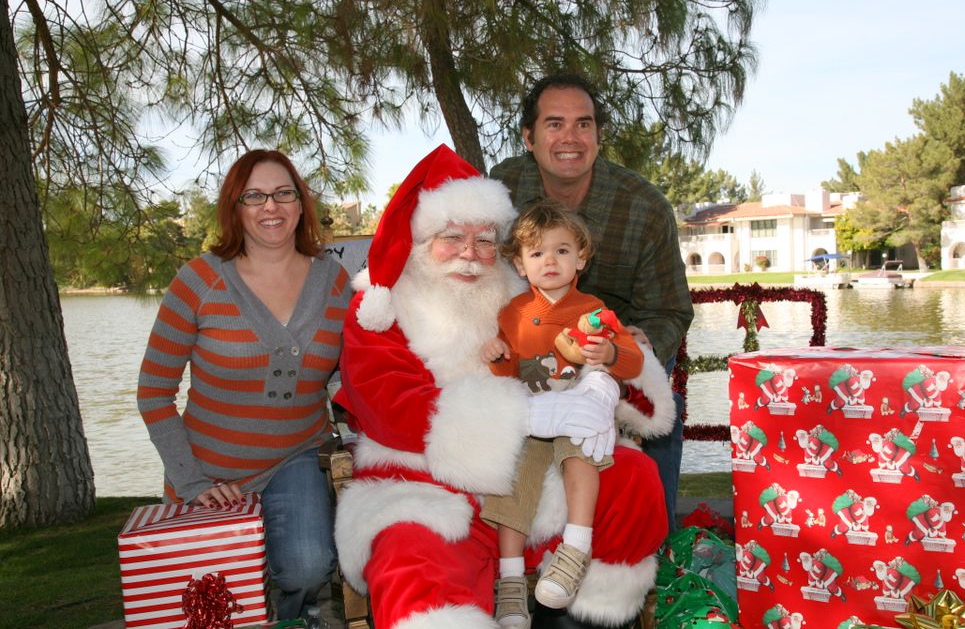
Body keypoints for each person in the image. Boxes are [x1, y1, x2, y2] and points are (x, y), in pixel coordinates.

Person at [333, 144, 674, 629]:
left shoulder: (522, 296)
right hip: (427, 485)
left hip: (538, 476)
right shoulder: (381, 307)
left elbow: (582, 351)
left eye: (486, 240)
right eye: (452, 237)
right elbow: (391, 409)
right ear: (419, 238)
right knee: (410, 561)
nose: (472, 254)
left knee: (633, 478)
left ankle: (582, 616)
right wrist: (525, 414)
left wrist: (608, 374)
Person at [136, 149, 350, 621]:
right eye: (254, 196)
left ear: (300, 203)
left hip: (295, 457)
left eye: (282, 194)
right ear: (235, 207)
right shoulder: (199, 280)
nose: (269, 207)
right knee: (215, 593)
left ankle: (293, 615)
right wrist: (190, 480)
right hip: (209, 471)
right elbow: (153, 391)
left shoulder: (335, 282)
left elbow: (345, 378)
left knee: (308, 568)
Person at [490, 72, 695, 530]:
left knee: (654, 401)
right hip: (528, 342)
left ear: (599, 136)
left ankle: (650, 542)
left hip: (610, 347)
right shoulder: (499, 191)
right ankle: (506, 554)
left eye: (583, 125)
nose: (570, 138)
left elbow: (671, 308)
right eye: (555, 124)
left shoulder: (644, 206)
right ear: (529, 136)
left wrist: (646, 344)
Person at [479, 199, 670, 627]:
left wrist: (611, 351)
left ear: (581, 257)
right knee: (509, 476)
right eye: (537, 253)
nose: (550, 261)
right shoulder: (512, 314)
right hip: (530, 417)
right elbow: (506, 374)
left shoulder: (595, 312)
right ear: (519, 264)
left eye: (562, 250)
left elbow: (635, 365)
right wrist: (496, 355)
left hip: (579, 415)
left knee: (579, 451)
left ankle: (575, 549)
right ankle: (510, 584)